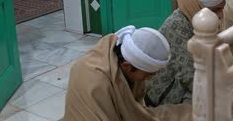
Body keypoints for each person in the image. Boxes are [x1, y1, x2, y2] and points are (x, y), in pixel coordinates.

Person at [64, 26, 192, 121]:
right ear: (127, 66)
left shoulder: (118, 61)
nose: (148, 79)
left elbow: (135, 111)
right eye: (148, 74)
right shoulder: (97, 81)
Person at [145, 0, 231, 106]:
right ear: (197, 6)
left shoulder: (199, 18)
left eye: (222, 8)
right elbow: (189, 75)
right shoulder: (176, 26)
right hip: (169, 93)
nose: (221, 15)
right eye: (216, 10)